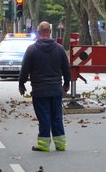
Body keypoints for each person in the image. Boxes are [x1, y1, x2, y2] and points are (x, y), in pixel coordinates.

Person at [18, 21, 71, 152]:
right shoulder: (59, 49)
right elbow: (66, 68)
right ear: (50, 32)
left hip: (40, 90)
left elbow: (25, 69)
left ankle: (43, 145)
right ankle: (60, 144)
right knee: (57, 116)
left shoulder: (32, 50)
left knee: (44, 117)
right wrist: (66, 83)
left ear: (39, 32)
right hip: (56, 89)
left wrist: (21, 84)